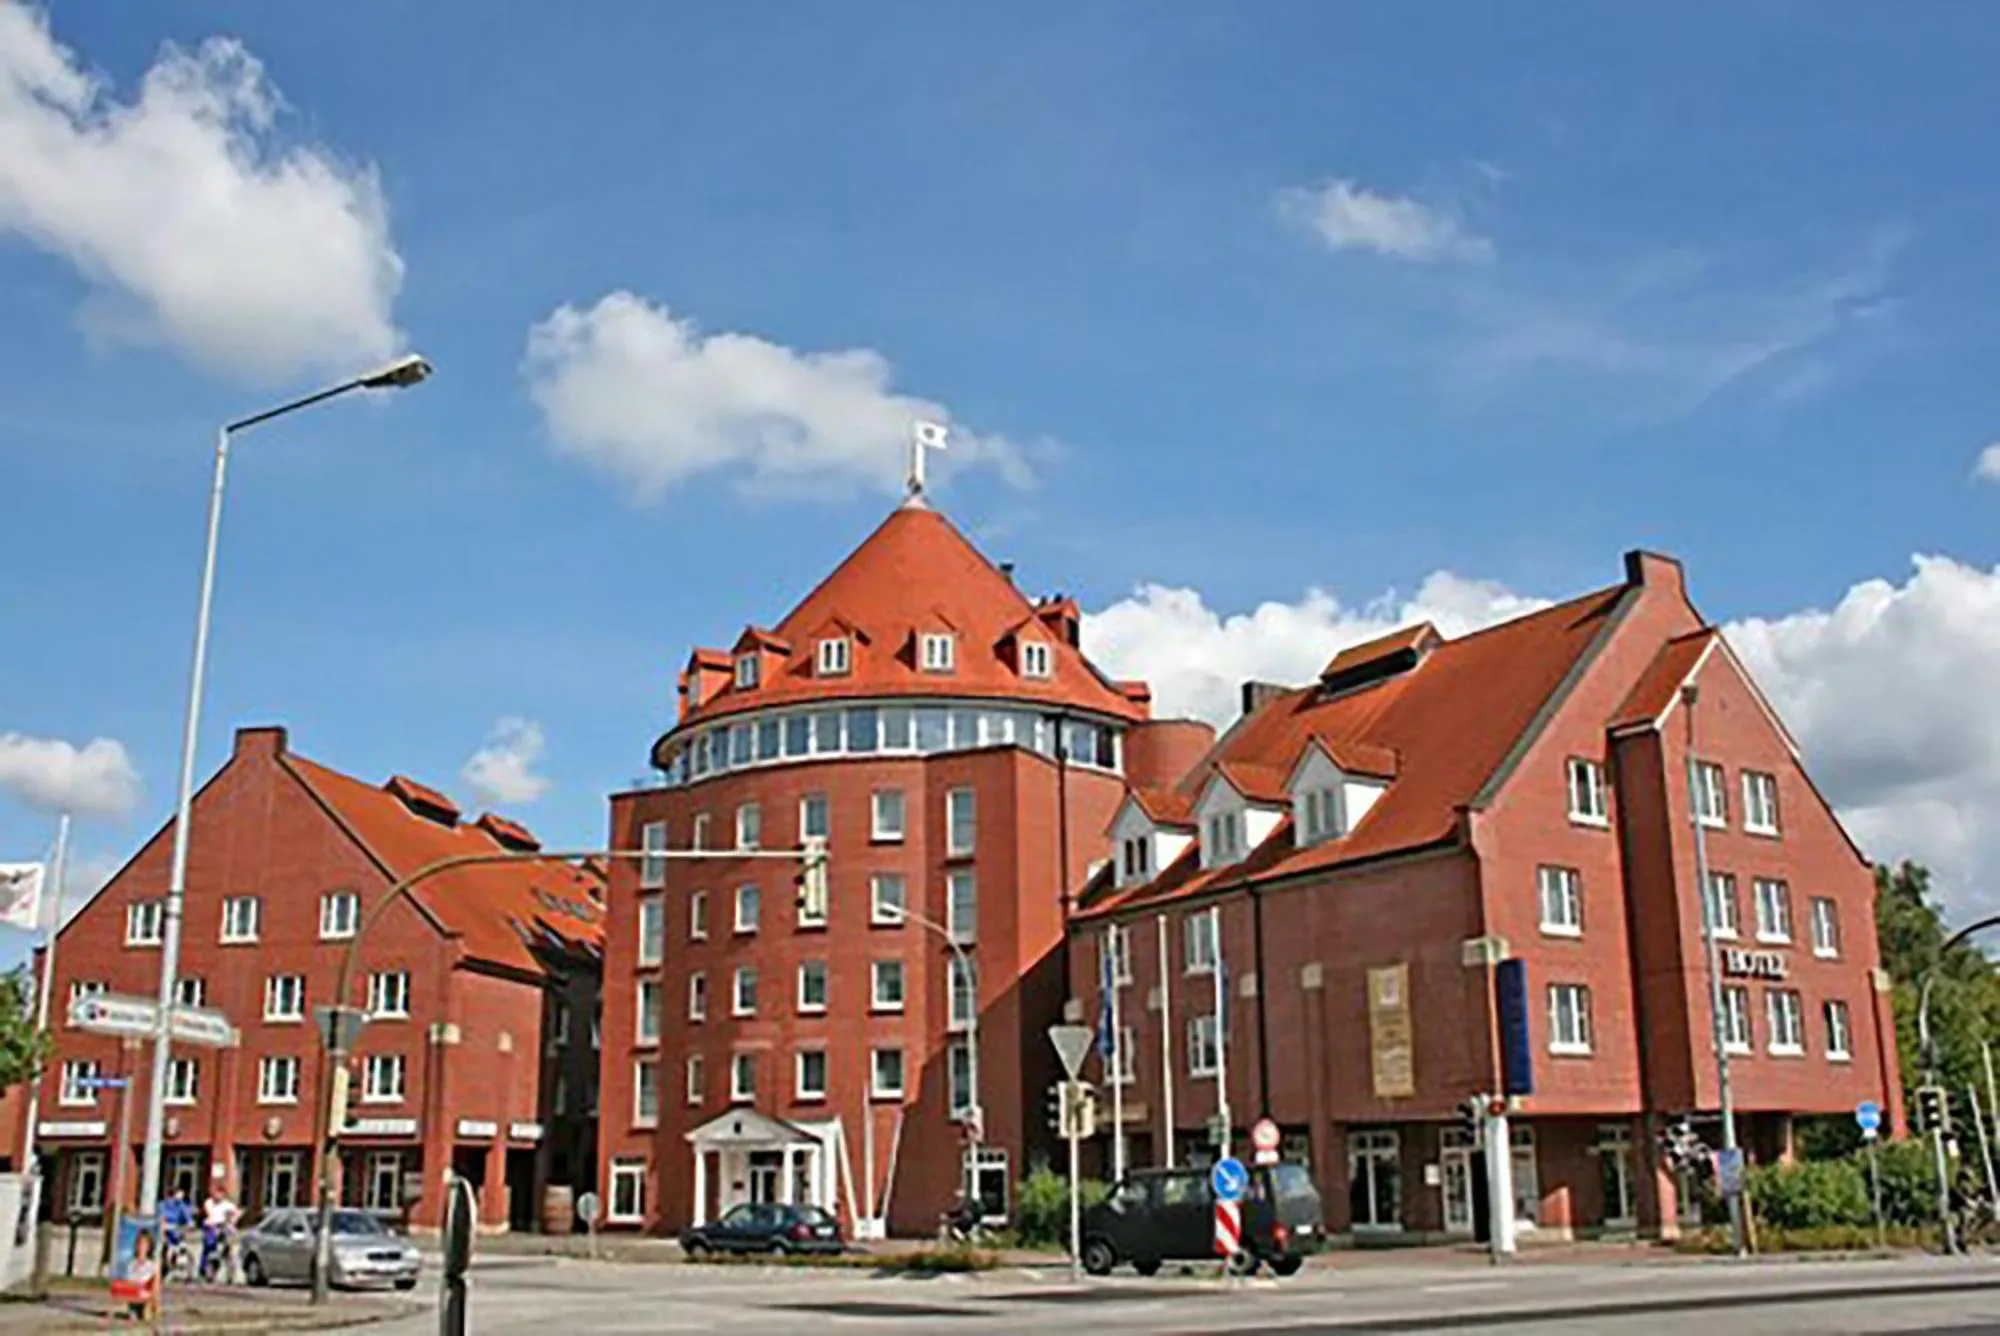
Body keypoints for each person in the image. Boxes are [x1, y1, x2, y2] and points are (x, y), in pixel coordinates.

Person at [200, 1183, 241, 1283]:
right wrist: (212, 1222)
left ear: (223, 1195)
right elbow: (210, 1214)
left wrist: (233, 1221)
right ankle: (204, 1268)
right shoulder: (209, 1202)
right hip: (211, 1226)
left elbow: (237, 1212)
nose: (217, 1196)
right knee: (209, 1246)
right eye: (215, 1194)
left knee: (228, 1244)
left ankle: (229, 1269)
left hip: (224, 1226)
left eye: (219, 1194)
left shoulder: (228, 1205)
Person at [161, 1188, 195, 1279]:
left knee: (182, 1248)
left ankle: (182, 1268)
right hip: (165, 1233)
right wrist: (163, 1225)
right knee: (165, 1250)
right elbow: (160, 1217)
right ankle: (166, 1269)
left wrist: (189, 1224)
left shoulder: (181, 1205)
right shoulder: (163, 1205)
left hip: (176, 1232)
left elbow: (188, 1218)